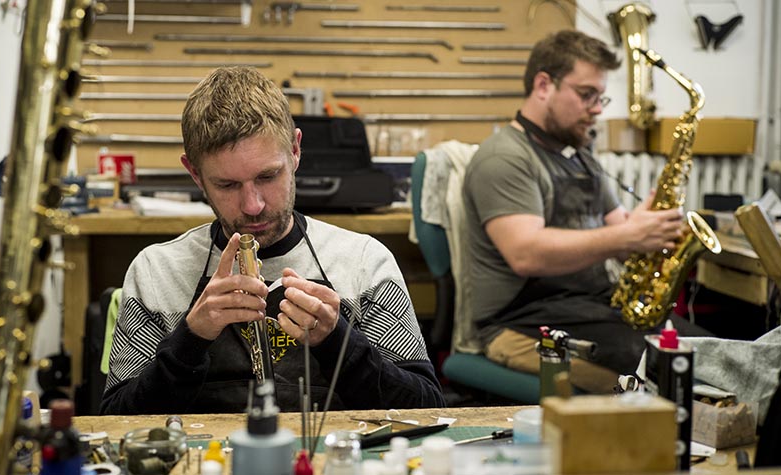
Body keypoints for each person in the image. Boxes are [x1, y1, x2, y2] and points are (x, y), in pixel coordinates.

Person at [100, 66, 444, 414]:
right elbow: (114, 419)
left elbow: (427, 408)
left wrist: (338, 342)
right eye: (227, 185)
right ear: (195, 174)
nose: (253, 206)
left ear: (294, 151)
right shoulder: (156, 273)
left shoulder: (364, 264)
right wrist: (190, 340)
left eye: (268, 176)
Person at [463, 30, 712, 393]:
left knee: (704, 350)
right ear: (544, 85)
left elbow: (620, 234)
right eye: (586, 95)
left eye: (601, 96)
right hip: (520, 324)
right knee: (669, 372)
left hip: (587, 308)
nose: (597, 108)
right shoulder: (505, 158)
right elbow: (525, 253)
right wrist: (626, 235)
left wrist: (647, 226)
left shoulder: (579, 154)